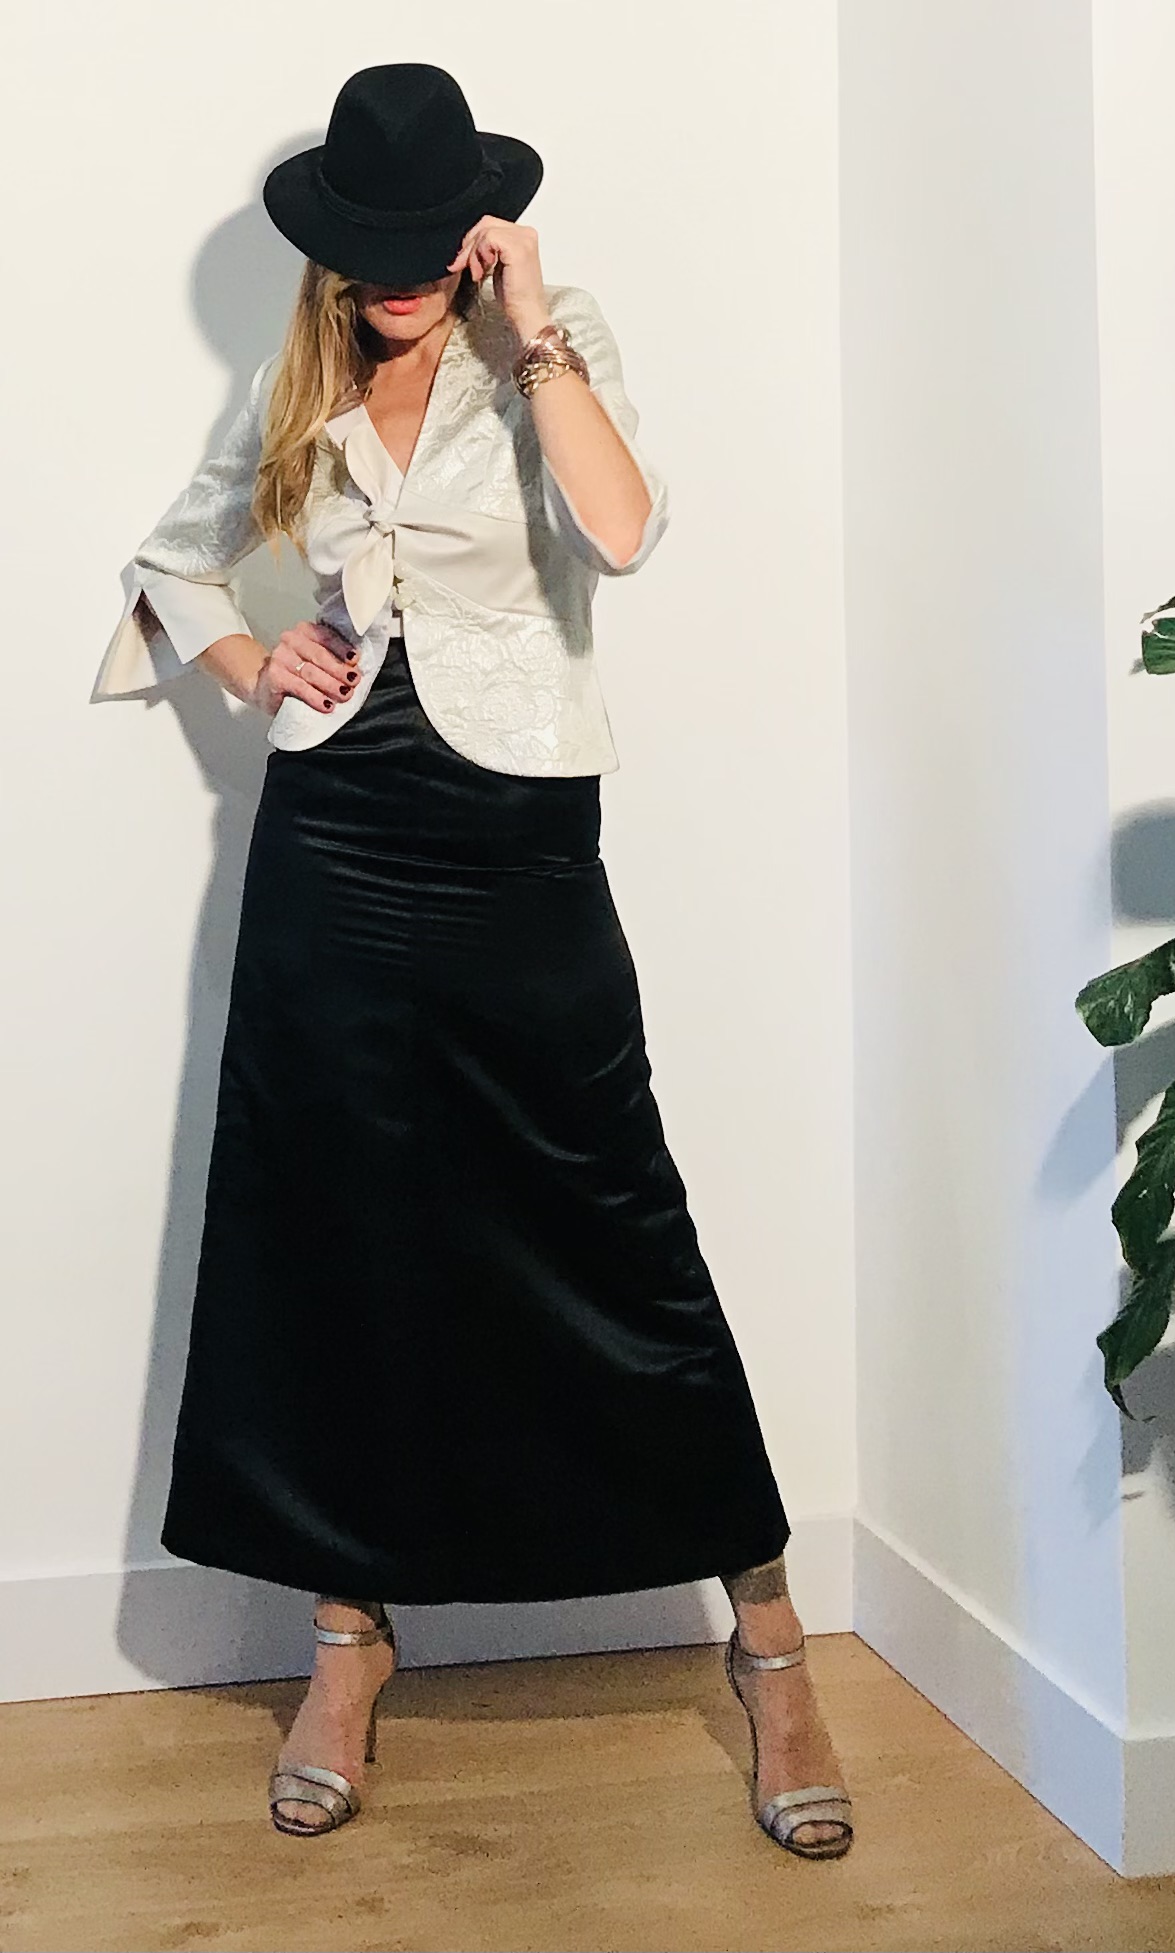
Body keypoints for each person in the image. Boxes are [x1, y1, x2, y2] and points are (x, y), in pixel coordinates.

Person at [93, 62, 853, 1859]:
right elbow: (176, 562)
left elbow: (621, 531)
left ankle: (766, 1639)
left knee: (608, 1208)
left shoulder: (546, 346)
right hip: (332, 840)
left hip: (516, 838)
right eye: (370, 247)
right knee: (336, 1216)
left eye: (427, 242)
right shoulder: (297, 378)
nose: (397, 274)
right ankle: (346, 1635)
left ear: (479, 233)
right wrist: (250, 662)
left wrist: (530, 335)